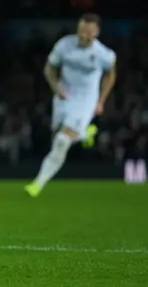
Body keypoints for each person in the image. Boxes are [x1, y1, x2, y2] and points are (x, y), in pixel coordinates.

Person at [25, 13, 116, 197]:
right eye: (81, 30)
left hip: (85, 101)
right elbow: (49, 69)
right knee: (57, 138)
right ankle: (85, 133)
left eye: (88, 31)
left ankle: (37, 184)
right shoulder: (64, 45)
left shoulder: (104, 54)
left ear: (96, 32)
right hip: (64, 97)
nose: (83, 34)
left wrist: (101, 100)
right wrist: (55, 87)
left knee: (61, 141)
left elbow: (110, 75)